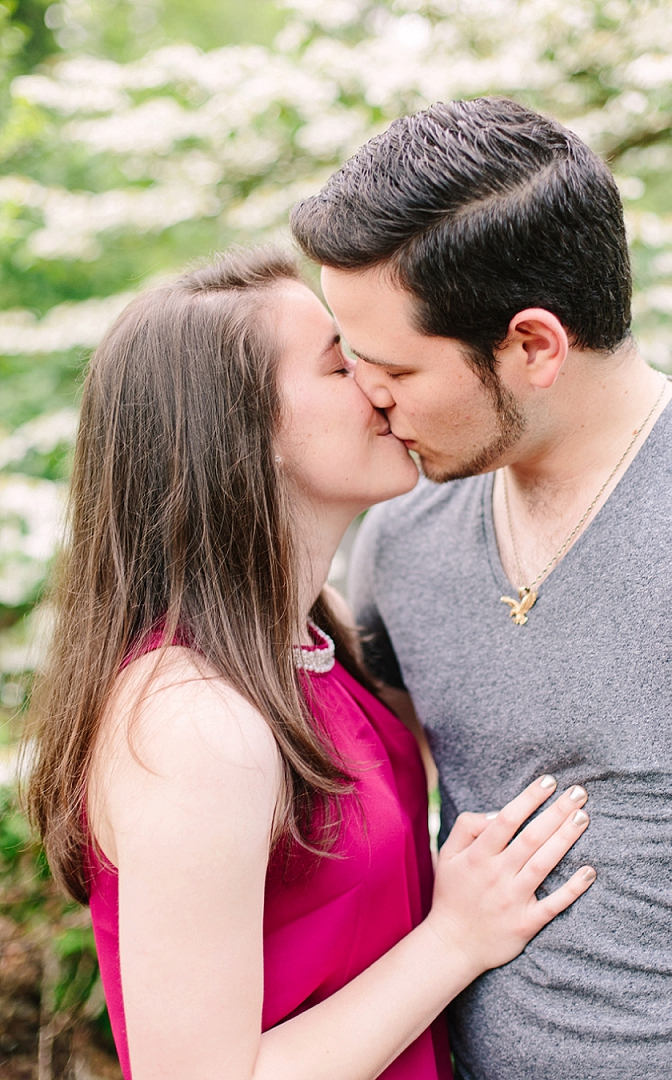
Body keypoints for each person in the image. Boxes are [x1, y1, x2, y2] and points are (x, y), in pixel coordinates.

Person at [24, 248, 594, 1080]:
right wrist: (455, 939)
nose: (379, 384)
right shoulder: (194, 721)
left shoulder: (313, 654)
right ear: (242, 432)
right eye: (341, 364)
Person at [290, 97, 672, 1080]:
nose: (367, 396)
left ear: (533, 347)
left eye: (393, 366)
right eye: (350, 359)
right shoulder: (396, 538)